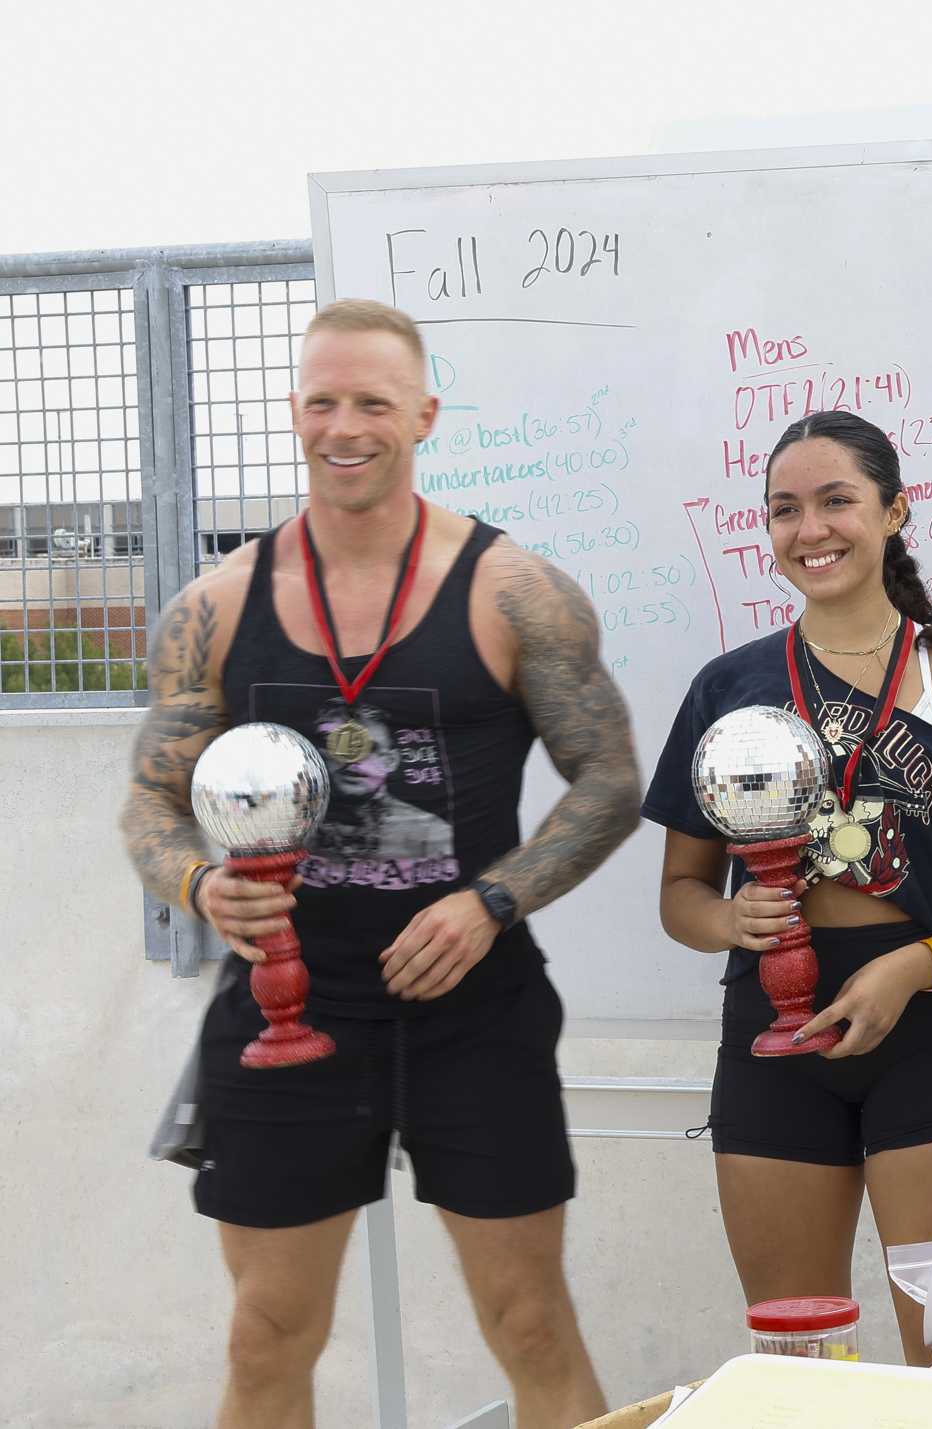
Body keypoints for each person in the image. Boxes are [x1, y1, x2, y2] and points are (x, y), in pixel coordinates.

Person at [120, 298, 640, 1429]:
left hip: (472, 1003)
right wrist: (201, 886)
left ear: (423, 415)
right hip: (285, 1012)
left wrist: (491, 901)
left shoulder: (514, 592)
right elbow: (151, 804)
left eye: (371, 402)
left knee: (532, 1324)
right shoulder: (212, 607)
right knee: (266, 1336)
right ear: (294, 414)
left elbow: (609, 778)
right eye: (321, 401)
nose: (343, 426)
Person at [647, 409, 932, 1366]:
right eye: (785, 509)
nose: (812, 529)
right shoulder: (731, 687)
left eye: (837, 500)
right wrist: (728, 916)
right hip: (772, 1032)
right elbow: (680, 892)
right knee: (797, 1366)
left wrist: (910, 970)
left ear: (895, 511)